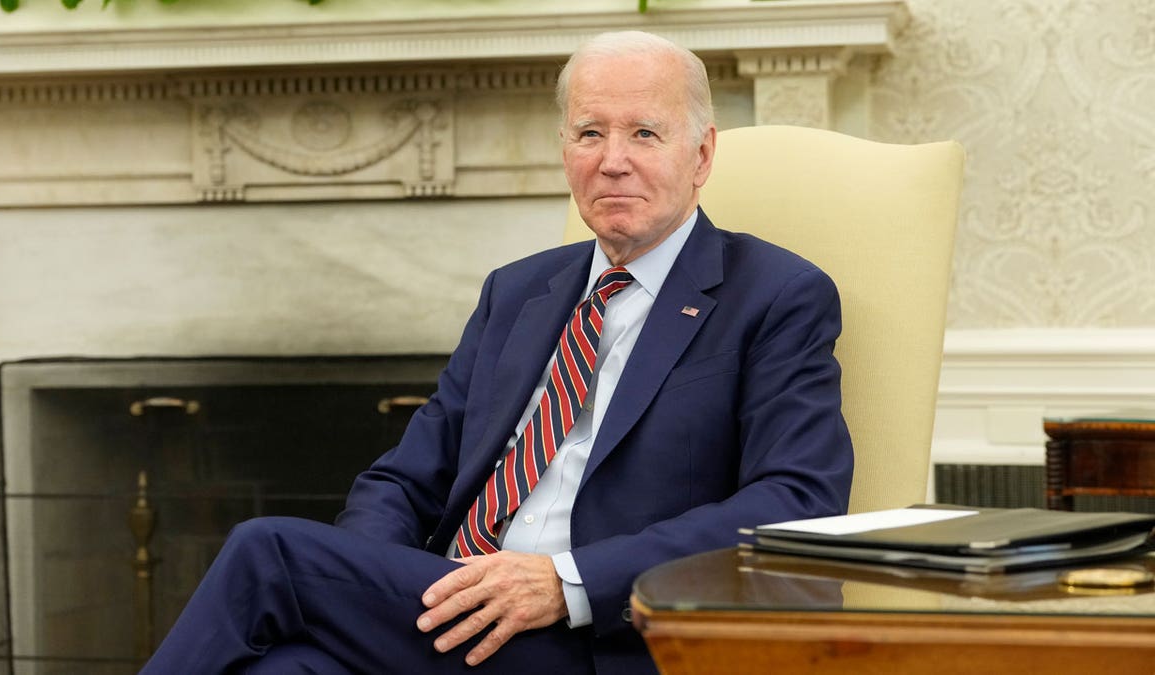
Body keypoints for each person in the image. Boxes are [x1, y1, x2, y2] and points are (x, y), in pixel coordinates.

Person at [139, 30, 853, 675]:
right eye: (589, 132)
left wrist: (566, 581)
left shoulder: (775, 295)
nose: (612, 162)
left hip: (599, 636)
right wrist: (387, 583)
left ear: (701, 154)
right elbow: (403, 479)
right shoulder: (518, 292)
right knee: (286, 669)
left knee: (269, 553)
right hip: (455, 613)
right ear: (563, 151)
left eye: (643, 133)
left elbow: (795, 503)